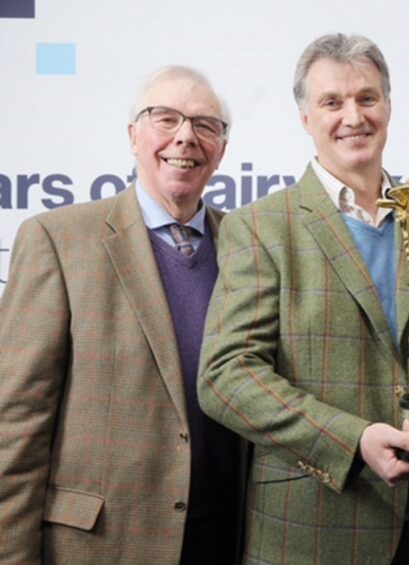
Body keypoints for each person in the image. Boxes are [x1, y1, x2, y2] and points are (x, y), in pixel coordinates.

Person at [197, 33, 409, 565]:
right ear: (305, 118)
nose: (353, 116)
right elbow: (226, 376)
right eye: (331, 102)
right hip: (311, 525)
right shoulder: (260, 226)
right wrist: (351, 441)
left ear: (388, 106)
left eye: (367, 98)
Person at [0, 66, 242, 564]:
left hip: (222, 539)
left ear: (221, 147)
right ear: (133, 135)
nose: (185, 137)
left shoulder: (250, 244)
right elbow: (16, 423)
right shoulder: (56, 240)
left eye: (205, 125)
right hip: (99, 545)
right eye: (165, 118)